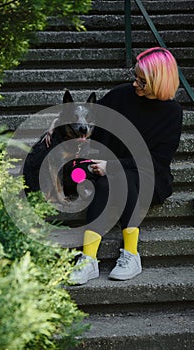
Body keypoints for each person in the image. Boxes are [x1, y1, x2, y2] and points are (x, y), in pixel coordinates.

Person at [43, 47, 183, 284]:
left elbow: (156, 160)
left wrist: (113, 165)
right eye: (135, 76)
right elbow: (86, 115)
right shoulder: (120, 96)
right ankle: (92, 260)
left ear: (159, 81)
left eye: (143, 80)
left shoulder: (172, 113)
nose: (135, 84)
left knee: (119, 177)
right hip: (102, 168)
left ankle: (124, 255)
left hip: (147, 176)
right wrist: (58, 121)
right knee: (109, 178)